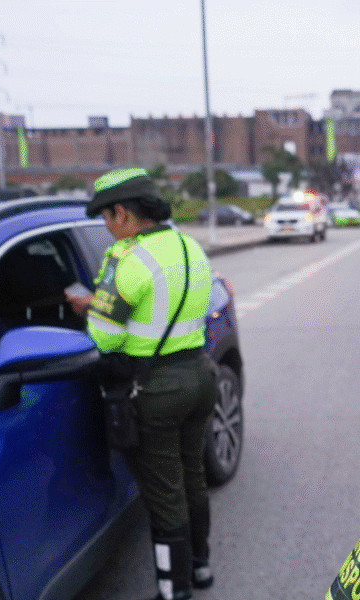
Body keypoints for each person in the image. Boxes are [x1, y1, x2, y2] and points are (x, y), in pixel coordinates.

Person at [66, 168, 216, 600]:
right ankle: (200, 568)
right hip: (199, 375)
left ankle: (175, 591)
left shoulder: (127, 259)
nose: (108, 230)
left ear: (122, 213)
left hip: (156, 389)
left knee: (165, 494)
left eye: (107, 219)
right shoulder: (190, 246)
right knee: (191, 478)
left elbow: (105, 337)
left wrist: (88, 308)